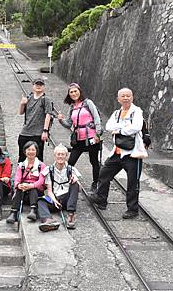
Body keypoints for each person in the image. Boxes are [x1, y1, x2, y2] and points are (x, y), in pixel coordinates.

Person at [89, 88, 148, 219]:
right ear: (118, 99)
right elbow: (109, 126)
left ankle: (132, 209)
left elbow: (136, 127)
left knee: (133, 182)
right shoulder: (117, 113)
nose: (126, 98)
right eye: (123, 96)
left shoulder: (137, 111)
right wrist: (123, 128)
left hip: (133, 153)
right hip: (117, 152)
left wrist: (119, 130)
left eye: (128, 96)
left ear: (132, 98)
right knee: (104, 173)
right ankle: (101, 199)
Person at [57, 82, 103, 192]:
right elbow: (68, 124)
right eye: (71, 92)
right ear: (69, 94)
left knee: (94, 161)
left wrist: (98, 133)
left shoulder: (88, 103)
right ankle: (66, 181)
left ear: (79, 91)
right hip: (78, 138)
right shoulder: (72, 107)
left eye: (75, 91)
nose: (74, 93)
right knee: (71, 161)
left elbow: (97, 118)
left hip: (91, 137)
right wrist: (60, 120)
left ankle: (95, 183)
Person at [38, 144, 80, 231]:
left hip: (67, 199)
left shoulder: (71, 169)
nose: (60, 156)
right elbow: (49, 190)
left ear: (66, 156)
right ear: (54, 156)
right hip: (56, 198)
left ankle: (71, 214)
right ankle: (48, 220)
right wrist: (54, 200)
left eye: (62, 154)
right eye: (58, 154)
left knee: (75, 184)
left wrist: (75, 179)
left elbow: (77, 186)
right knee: (41, 201)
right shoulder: (49, 170)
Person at [6, 141, 47, 224]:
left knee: (33, 189)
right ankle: (13, 212)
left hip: (36, 192)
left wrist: (31, 185)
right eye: (28, 149)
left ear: (36, 152)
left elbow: (41, 181)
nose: (30, 152)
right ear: (25, 151)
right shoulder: (21, 165)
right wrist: (19, 185)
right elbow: (17, 178)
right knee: (19, 189)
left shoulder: (41, 165)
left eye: (33, 150)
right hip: (24, 192)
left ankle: (33, 210)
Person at [18, 77, 53, 163]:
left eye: (41, 84)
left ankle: (38, 175)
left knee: (38, 157)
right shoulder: (28, 98)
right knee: (22, 156)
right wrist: (22, 104)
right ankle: (22, 175)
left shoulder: (46, 99)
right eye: (36, 84)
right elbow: (21, 112)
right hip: (25, 131)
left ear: (44, 87)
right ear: (33, 86)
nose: (38, 86)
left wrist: (45, 131)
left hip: (38, 133)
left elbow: (48, 115)